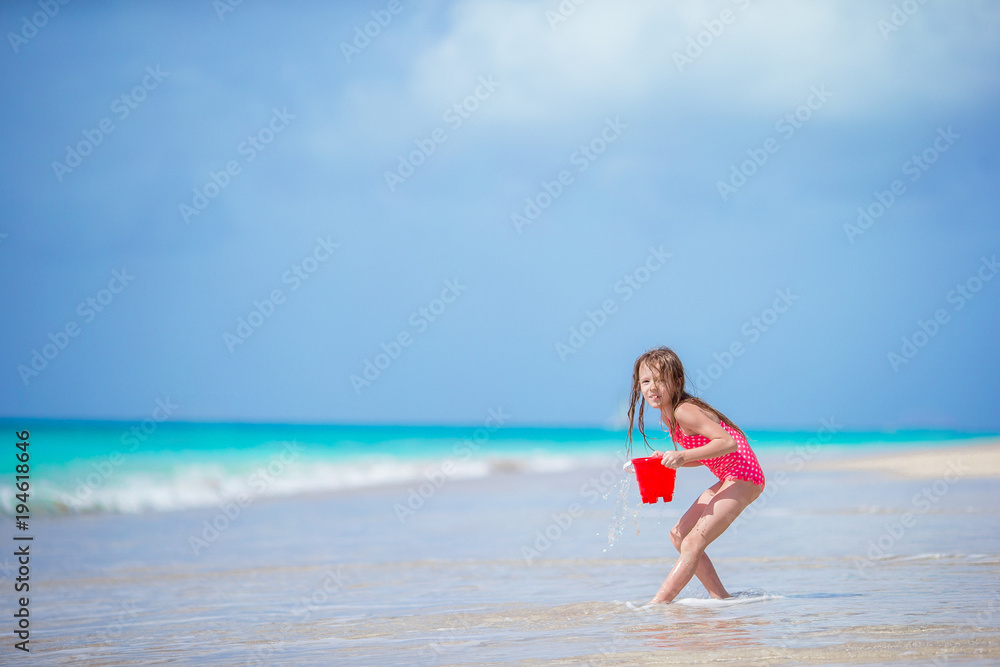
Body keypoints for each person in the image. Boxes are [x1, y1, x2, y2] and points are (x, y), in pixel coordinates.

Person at [625, 346, 765, 603]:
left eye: (660, 380)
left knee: (692, 543)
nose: (652, 388)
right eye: (646, 381)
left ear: (677, 382)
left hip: (745, 477)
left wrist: (683, 456)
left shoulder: (683, 411)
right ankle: (721, 598)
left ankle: (657, 606)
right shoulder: (670, 417)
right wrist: (669, 461)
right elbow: (706, 454)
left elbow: (728, 442)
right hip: (729, 478)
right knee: (679, 535)